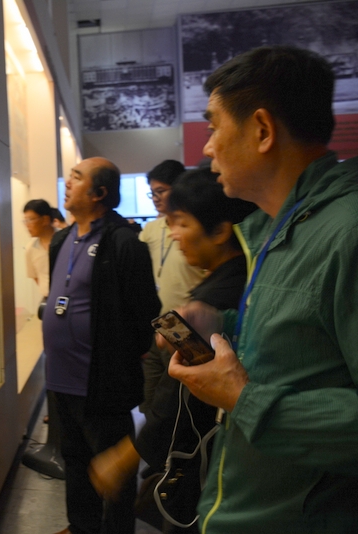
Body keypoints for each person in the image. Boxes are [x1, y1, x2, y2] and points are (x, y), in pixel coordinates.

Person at [167, 45, 358, 533]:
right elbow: (303, 349)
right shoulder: (276, 229)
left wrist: (242, 397)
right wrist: (219, 326)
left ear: (262, 130)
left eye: (213, 127)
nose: (206, 148)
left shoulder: (347, 231)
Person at [88, 168, 256, 533]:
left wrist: (125, 456)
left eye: (181, 223)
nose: (174, 234)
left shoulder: (218, 297)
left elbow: (179, 396)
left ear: (220, 231)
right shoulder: (234, 280)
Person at [44, 157, 160, 534]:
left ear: (99, 193)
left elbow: (145, 313)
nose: (67, 183)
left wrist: (117, 360)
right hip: (61, 379)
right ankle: (81, 527)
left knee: (112, 472)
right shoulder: (60, 240)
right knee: (74, 461)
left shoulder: (123, 241)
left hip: (102, 382)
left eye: (77, 177)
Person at [139, 160, 205, 412]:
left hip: (186, 324)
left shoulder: (195, 226)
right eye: (152, 193)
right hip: (157, 323)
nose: (155, 198)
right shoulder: (150, 230)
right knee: (150, 400)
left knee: (180, 404)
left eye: (161, 191)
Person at [22, 199, 54, 298]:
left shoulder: (65, 240)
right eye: (25, 221)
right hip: (48, 299)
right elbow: (36, 277)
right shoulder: (30, 248)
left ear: (45, 220)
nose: (27, 225)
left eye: (30, 220)